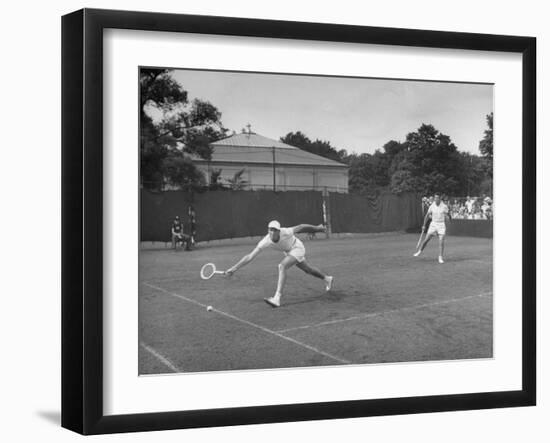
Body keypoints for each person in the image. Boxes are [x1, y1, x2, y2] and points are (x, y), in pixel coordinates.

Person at [225, 220, 333, 307]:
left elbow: (301, 227)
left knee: (282, 266)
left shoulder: (285, 232)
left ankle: (277, 298)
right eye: (270, 230)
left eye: (274, 230)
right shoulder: (265, 241)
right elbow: (249, 256)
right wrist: (233, 269)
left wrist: (318, 228)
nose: (272, 232)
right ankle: (327, 279)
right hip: (288, 251)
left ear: (278, 231)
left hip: (297, 247)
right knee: (307, 269)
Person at [414, 193, 450, 264]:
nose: (436, 199)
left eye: (437, 198)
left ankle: (440, 257)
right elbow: (427, 216)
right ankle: (419, 251)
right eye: (435, 198)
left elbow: (447, 216)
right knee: (426, 240)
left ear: (440, 199)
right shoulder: (432, 206)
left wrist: (447, 219)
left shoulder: (444, 206)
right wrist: (424, 225)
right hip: (433, 224)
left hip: (441, 225)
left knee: (441, 241)